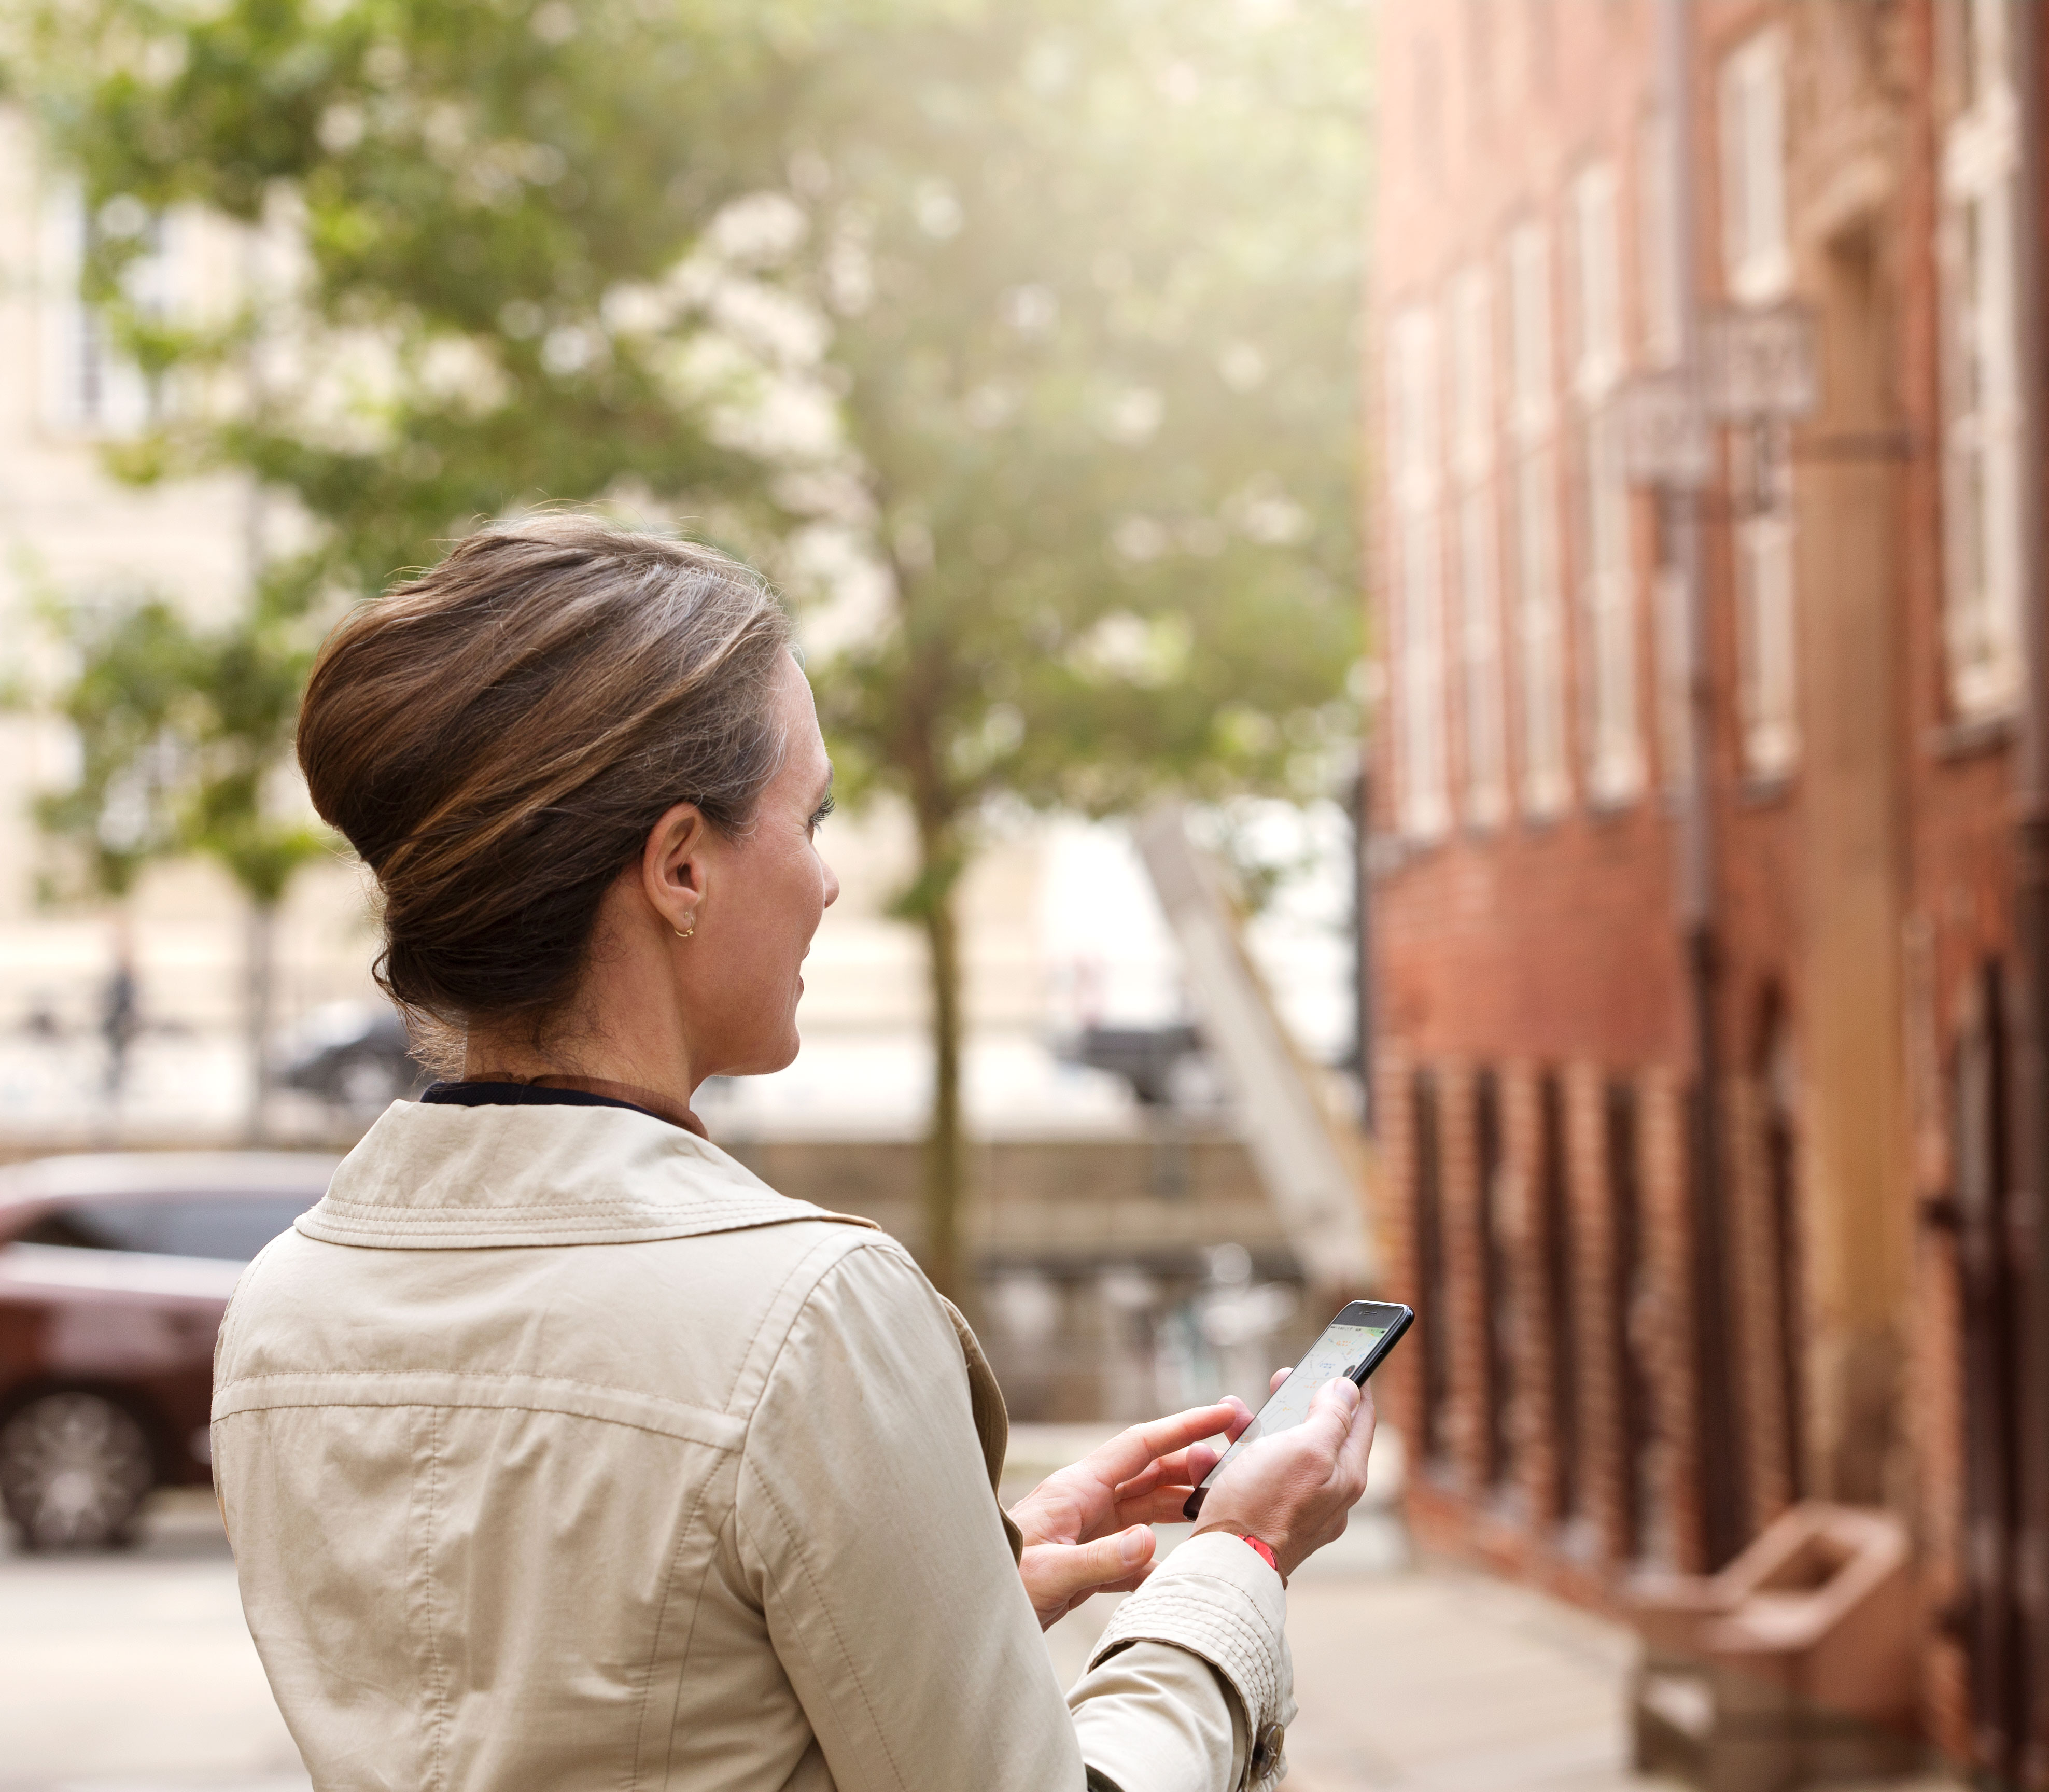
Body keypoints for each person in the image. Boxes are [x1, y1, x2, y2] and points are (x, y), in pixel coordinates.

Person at [212, 515, 1377, 1792]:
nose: (827, 883)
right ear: (679, 867)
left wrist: (965, 1579)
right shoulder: (808, 1317)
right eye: (809, 817)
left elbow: (598, 1696)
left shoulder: (283, 1310)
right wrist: (1234, 1570)